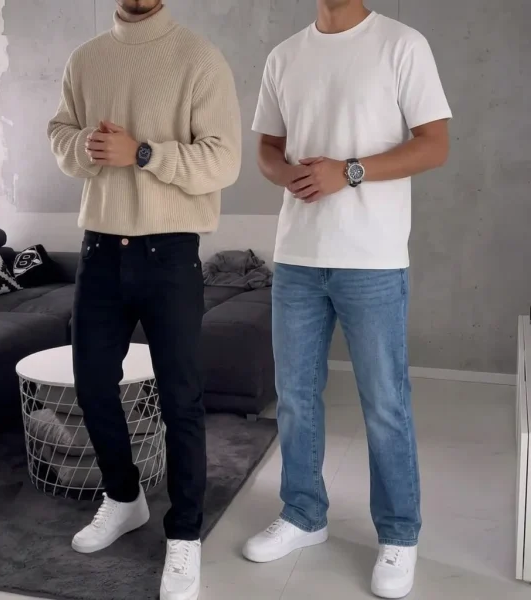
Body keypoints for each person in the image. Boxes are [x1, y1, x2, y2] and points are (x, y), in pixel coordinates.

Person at [243, 0, 451, 598]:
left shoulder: (402, 44)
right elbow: (267, 149)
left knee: (385, 402)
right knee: (295, 397)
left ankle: (400, 534)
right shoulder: (285, 55)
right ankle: (303, 514)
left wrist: (350, 171)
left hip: (373, 258)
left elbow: (434, 145)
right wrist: (286, 174)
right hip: (297, 255)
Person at [48, 1, 241, 598]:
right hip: (100, 249)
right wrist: (86, 146)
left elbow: (224, 160)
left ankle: (184, 532)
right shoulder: (86, 59)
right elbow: (59, 133)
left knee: (181, 398)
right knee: (91, 385)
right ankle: (124, 495)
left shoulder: (199, 59)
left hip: (170, 252)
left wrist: (142, 153)